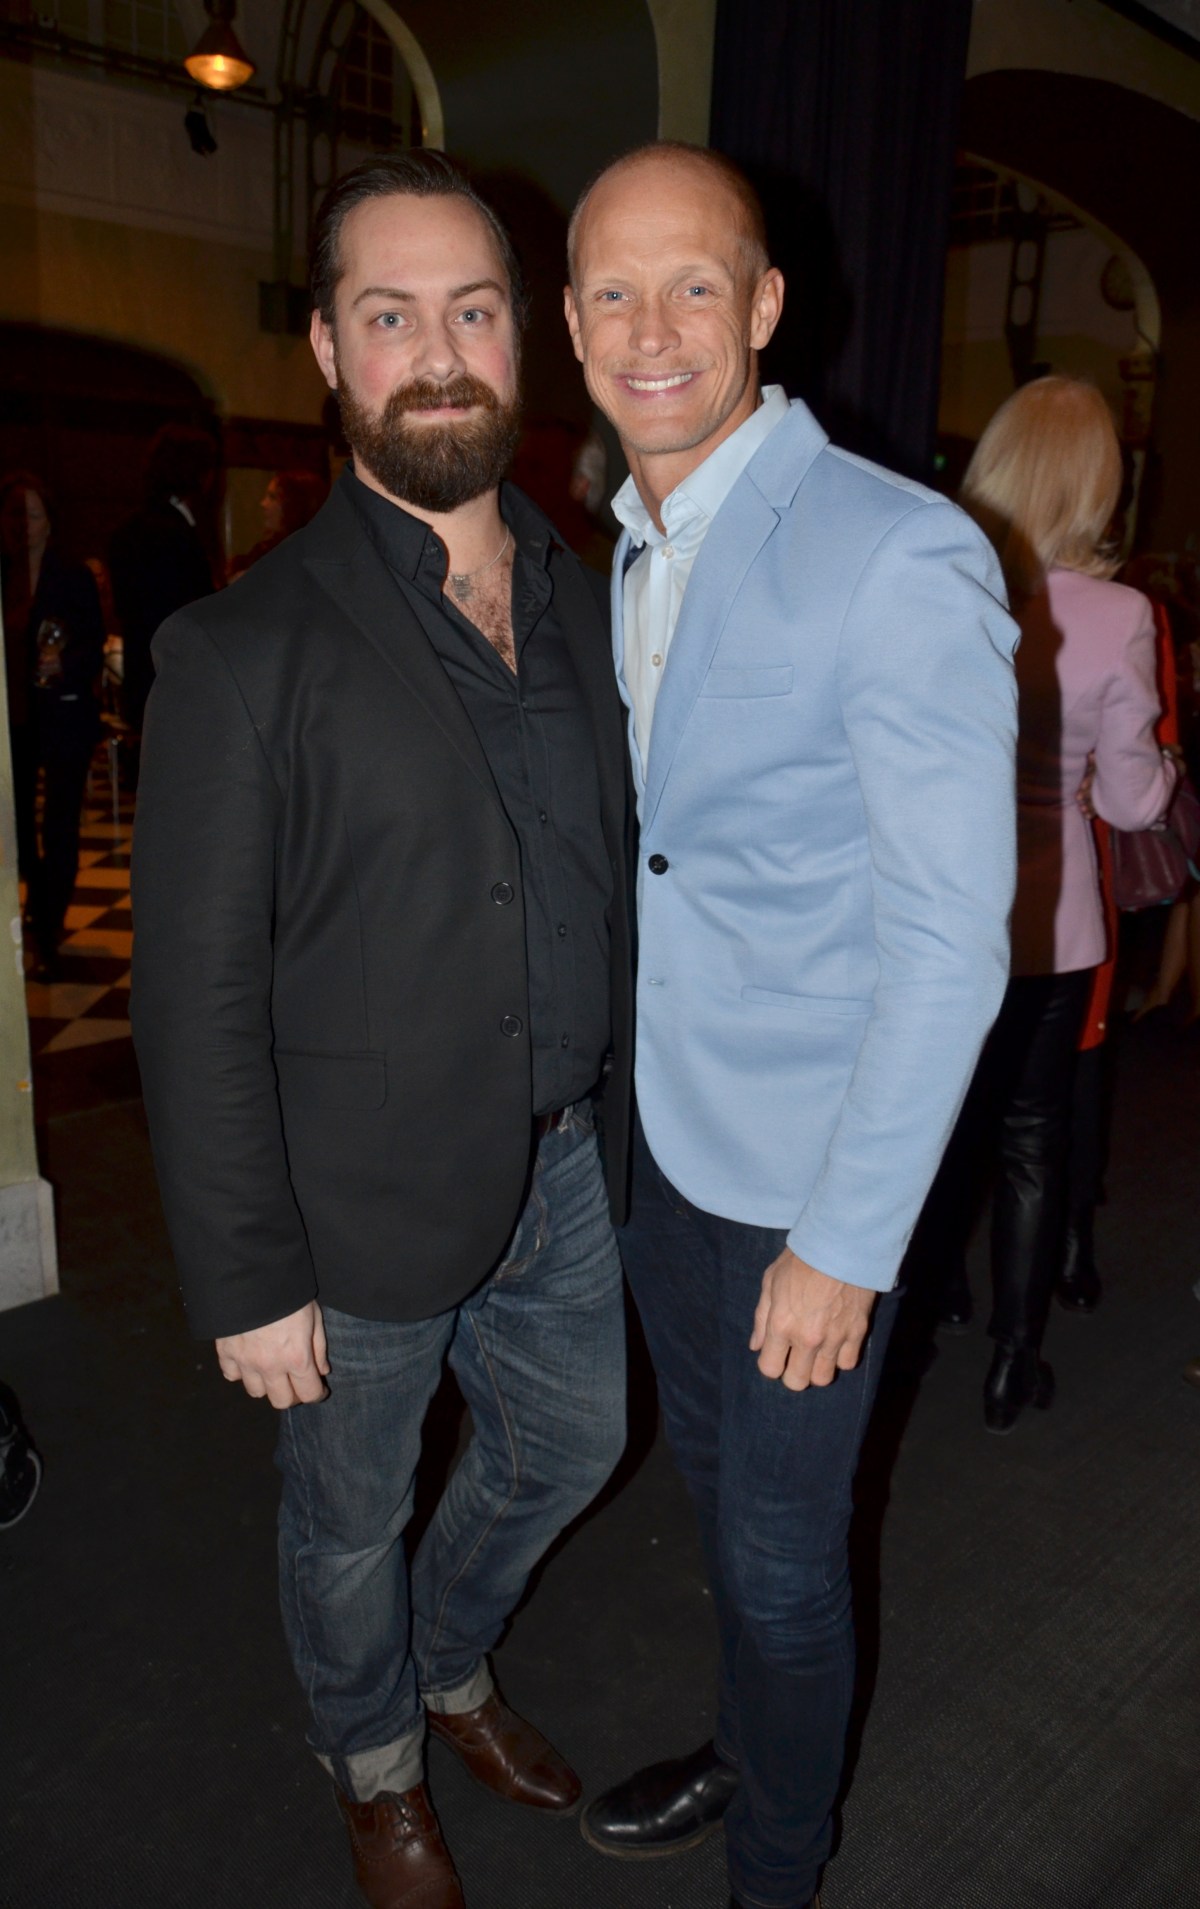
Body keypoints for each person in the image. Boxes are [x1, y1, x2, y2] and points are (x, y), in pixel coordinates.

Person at [131, 151, 633, 1909]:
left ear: (524, 339)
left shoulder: (592, 600)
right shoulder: (241, 647)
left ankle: (446, 1659)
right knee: (347, 1517)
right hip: (347, 1208)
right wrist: (246, 1269)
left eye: (471, 311)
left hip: (564, 1165)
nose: (437, 354)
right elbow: (189, 992)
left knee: (572, 1445)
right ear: (331, 352)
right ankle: (375, 1760)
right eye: (391, 315)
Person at [563, 142, 1018, 1909]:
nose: (650, 328)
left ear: (763, 306)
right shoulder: (629, 545)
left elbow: (949, 937)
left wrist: (846, 1237)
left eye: (693, 285)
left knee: (778, 1556)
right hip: (664, 1150)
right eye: (613, 291)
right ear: (571, 323)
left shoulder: (898, 549)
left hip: (810, 1184)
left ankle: (779, 1864)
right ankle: (752, 1748)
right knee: (724, 1513)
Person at [914, 377, 1177, 1431]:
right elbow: (1131, 802)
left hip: (936, 902)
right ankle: (1012, 1362)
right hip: (1051, 917)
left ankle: (928, 1298)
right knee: (1031, 1138)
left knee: (934, 1123)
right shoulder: (1121, 616)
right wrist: (1159, 766)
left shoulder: (937, 576)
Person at [0, 473, 105, 974]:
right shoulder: (6, 573)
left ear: (50, 521)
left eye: (34, 515)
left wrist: (63, 662)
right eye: (17, 515)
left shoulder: (72, 574)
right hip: (16, 719)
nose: (26, 525)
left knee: (59, 825)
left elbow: (93, 644)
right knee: (17, 826)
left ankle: (48, 927)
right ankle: (35, 910)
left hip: (64, 715)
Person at [107, 423, 216, 738]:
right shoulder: (177, 534)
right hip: (179, 685)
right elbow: (192, 613)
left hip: (143, 679)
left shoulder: (128, 529)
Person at [227, 467, 328, 582]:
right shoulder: (267, 550)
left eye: (273, 497)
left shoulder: (313, 558)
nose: (263, 504)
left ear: (294, 504)